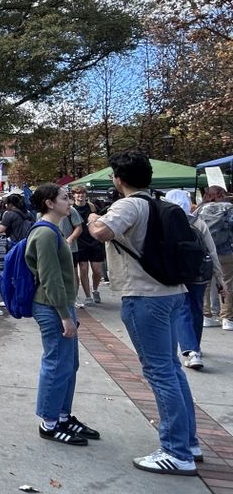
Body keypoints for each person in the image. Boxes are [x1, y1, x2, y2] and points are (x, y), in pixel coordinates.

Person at [87, 151, 200, 476]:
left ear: (119, 179)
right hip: (172, 293)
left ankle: (176, 451)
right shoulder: (159, 203)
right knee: (173, 371)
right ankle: (188, 443)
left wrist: (95, 218)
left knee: (160, 373)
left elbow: (101, 232)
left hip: (144, 296)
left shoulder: (129, 204)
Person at [27, 183, 99, 446]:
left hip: (61, 305)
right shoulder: (45, 234)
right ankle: (49, 422)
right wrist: (64, 315)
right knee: (57, 365)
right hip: (51, 307)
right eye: (65, 198)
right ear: (49, 203)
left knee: (69, 365)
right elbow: (50, 278)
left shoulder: (54, 230)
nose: (69, 202)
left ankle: (62, 415)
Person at [165, 189, 220, 370]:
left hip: (176, 273)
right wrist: (218, 275)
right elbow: (211, 250)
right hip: (199, 272)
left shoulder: (165, 222)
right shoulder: (198, 222)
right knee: (196, 308)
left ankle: (190, 350)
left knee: (183, 309)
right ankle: (195, 346)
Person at [194, 185, 233, 330]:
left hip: (205, 252)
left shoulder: (200, 208)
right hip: (226, 251)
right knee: (227, 283)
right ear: (222, 194)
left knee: (205, 284)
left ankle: (206, 316)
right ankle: (227, 319)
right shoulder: (229, 208)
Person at [70, 187, 105, 306]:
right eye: (78, 194)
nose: (81, 196)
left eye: (83, 193)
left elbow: (102, 219)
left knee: (97, 270)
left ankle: (95, 289)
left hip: (94, 241)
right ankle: (88, 296)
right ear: (73, 195)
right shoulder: (71, 209)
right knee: (83, 269)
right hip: (79, 242)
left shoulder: (92, 207)